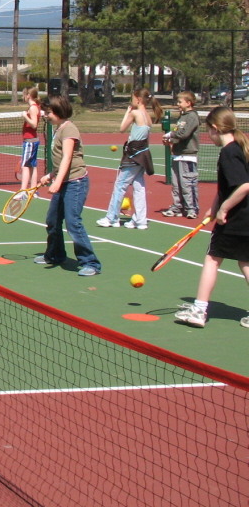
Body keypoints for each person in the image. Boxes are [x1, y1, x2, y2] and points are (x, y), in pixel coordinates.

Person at [173, 107, 249, 328]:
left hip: (235, 219)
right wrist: (214, 206)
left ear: (215, 129)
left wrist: (224, 208)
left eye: (208, 131)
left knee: (212, 259)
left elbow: (244, 186)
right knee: (245, 262)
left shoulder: (229, 152)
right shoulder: (240, 148)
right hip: (245, 217)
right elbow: (229, 186)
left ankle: (199, 309)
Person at [35, 94, 101, 277]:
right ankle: (55, 255)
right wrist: (51, 175)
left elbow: (68, 158)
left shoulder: (69, 130)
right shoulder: (58, 129)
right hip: (63, 180)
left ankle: (91, 263)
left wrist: (57, 182)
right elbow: (60, 163)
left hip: (76, 183)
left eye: (48, 112)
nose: (45, 115)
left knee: (73, 222)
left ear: (57, 111)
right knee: (52, 221)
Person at [97, 88, 163, 230]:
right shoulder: (148, 116)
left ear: (138, 99)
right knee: (139, 188)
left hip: (133, 156)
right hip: (142, 156)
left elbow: (122, 128)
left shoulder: (135, 113)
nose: (131, 100)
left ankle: (111, 218)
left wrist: (127, 111)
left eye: (132, 98)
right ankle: (140, 220)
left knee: (120, 186)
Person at [162, 91, 202, 219]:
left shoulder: (192, 117)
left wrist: (171, 135)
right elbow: (178, 134)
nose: (178, 104)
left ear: (188, 103)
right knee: (176, 184)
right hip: (177, 155)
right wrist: (170, 141)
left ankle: (191, 208)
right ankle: (177, 207)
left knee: (187, 184)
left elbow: (184, 134)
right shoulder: (182, 117)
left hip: (188, 156)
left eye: (180, 102)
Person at [19, 85, 42, 192]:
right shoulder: (35, 107)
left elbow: (34, 124)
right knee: (33, 165)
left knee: (25, 166)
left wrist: (25, 116)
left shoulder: (33, 108)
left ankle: (23, 190)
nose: (22, 97)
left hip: (30, 141)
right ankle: (33, 189)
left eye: (24, 95)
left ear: (28, 96)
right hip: (32, 140)